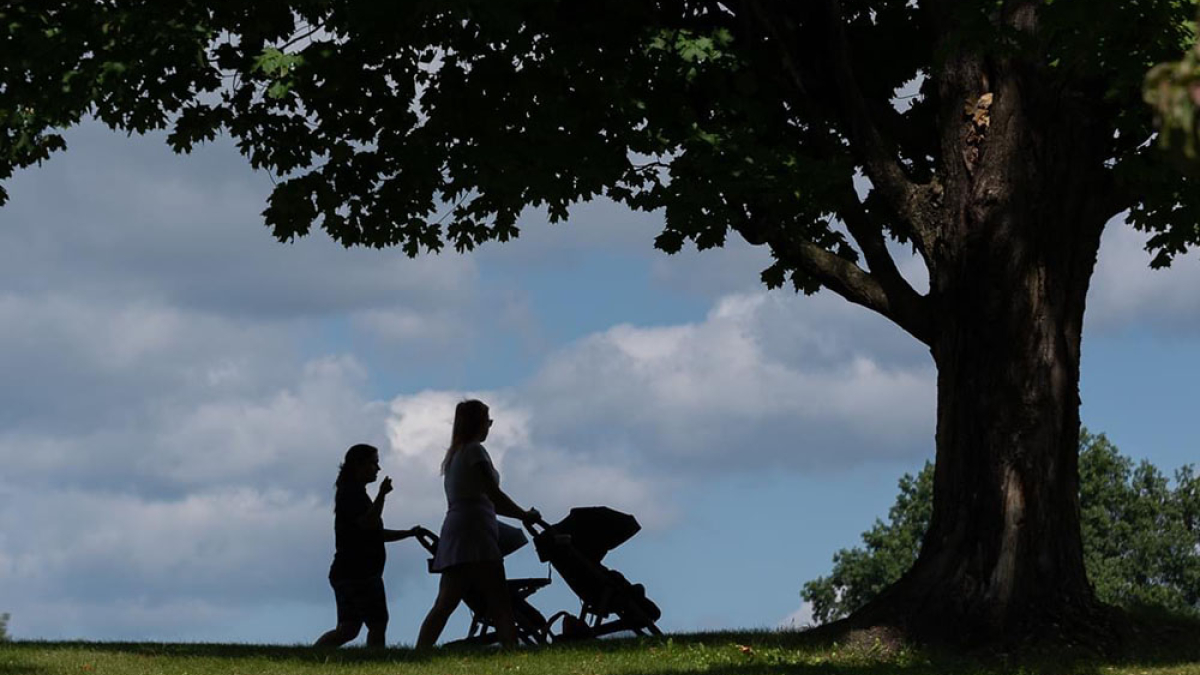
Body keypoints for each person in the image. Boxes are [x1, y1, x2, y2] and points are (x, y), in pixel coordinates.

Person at [416, 400, 540, 649]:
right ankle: (512, 653)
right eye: (488, 421)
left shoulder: (454, 456)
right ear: (478, 423)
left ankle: (421, 651)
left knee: (445, 602)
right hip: (477, 532)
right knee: (499, 601)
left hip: (456, 530)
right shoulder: (475, 451)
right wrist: (524, 515)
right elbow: (494, 495)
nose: (489, 427)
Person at [315, 443, 428, 648]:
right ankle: (375, 664)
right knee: (377, 623)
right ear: (360, 465)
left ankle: (312, 658)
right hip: (359, 573)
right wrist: (382, 495)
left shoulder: (352, 493)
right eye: (374, 463)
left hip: (347, 572)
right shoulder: (352, 495)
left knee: (348, 629)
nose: (378, 468)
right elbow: (370, 523)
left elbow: (374, 533)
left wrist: (409, 533)